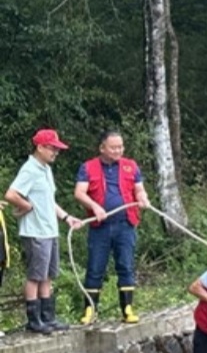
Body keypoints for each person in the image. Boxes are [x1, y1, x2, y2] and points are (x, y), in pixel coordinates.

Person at [4, 129, 84, 334]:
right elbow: (11, 194)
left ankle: (48, 317)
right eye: (52, 148)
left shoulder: (46, 169)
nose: (55, 152)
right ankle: (34, 320)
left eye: (57, 149)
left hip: (50, 230)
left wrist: (66, 217)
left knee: (48, 275)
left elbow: (49, 201)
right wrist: (27, 206)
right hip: (35, 232)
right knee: (35, 276)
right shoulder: (30, 169)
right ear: (40, 147)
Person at [73, 130, 151, 324]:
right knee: (95, 268)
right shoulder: (88, 167)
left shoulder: (131, 166)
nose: (118, 150)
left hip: (126, 225)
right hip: (100, 227)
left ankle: (127, 309)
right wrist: (94, 206)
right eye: (114, 147)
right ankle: (90, 310)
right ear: (102, 148)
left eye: (121, 147)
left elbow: (139, 189)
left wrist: (143, 198)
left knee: (126, 266)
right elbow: (79, 192)